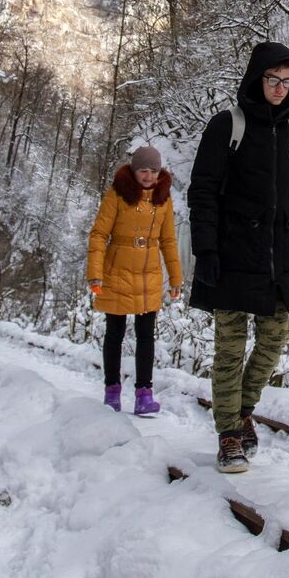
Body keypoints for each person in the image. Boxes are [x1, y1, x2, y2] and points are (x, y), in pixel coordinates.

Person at [188, 42, 289, 475]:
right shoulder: (228, 125)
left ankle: (242, 410)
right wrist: (205, 250)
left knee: (275, 338)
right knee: (229, 348)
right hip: (230, 255)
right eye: (273, 79)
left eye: (287, 81)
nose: (280, 88)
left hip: (276, 259)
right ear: (256, 78)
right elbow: (202, 191)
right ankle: (229, 434)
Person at [87, 145, 184, 415]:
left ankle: (144, 394)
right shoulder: (117, 193)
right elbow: (98, 234)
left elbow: (168, 240)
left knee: (146, 336)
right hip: (117, 270)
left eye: (154, 170)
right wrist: (95, 274)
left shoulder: (163, 198)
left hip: (148, 273)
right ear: (134, 169)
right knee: (114, 333)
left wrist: (175, 278)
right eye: (143, 170)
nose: (148, 175)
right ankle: (112, 392)